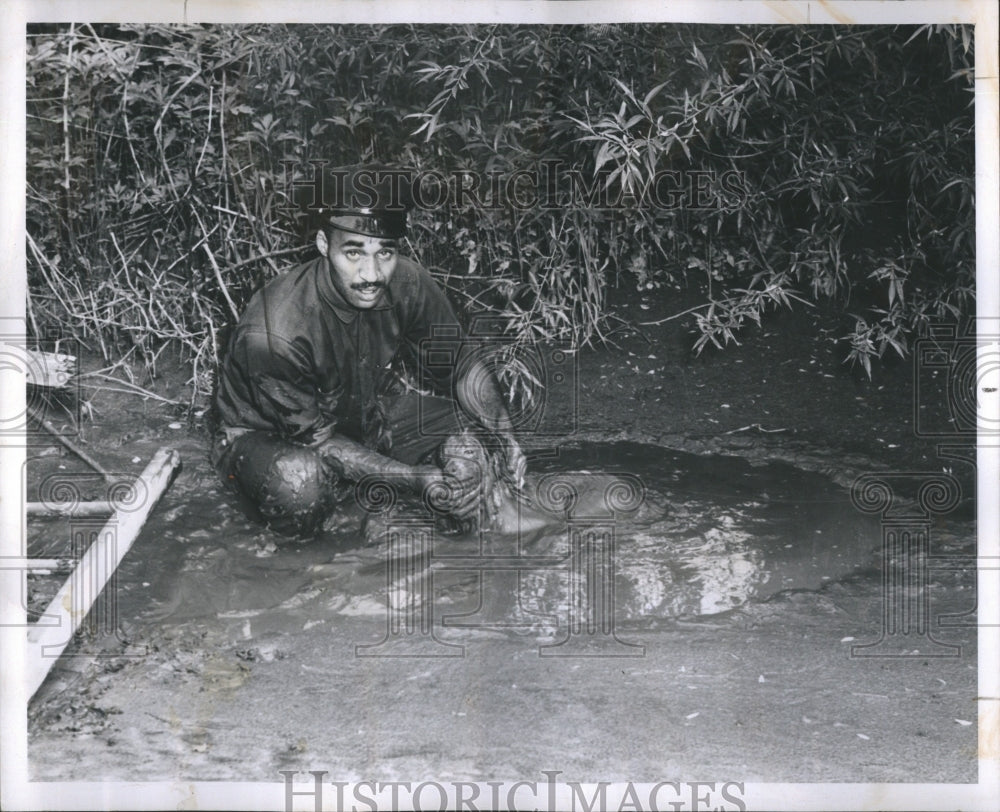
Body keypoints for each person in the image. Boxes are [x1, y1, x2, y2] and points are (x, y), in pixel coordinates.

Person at [211, 165, 526, 537]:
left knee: (470, 442)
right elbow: (320, 442)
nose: (372, 274)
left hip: (359, 412)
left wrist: (504, 438)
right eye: (355, 253)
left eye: (385, 253)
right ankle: (302, 554)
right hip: (269, 437)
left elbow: (463, 365)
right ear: (324, 245)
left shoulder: (406, 280)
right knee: (300, 484)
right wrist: (413, 479)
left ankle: (443, 525)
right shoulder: (275, 332)